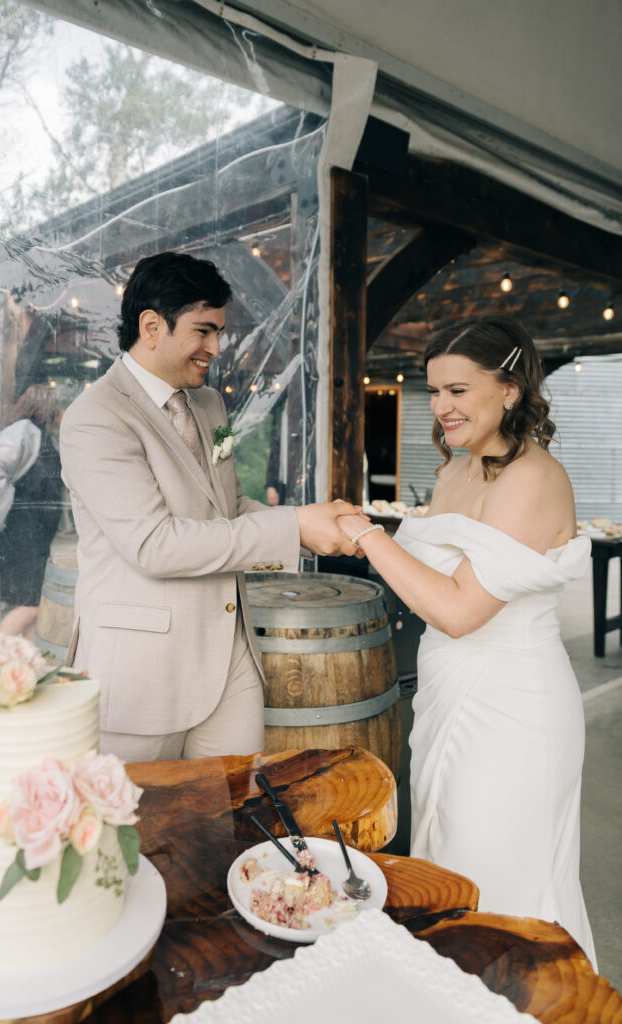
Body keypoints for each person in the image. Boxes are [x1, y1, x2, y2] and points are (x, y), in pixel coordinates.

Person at [335, 315, 597, 967]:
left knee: (499, 883)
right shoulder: (455, 471)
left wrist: (366, 534)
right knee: (447, 870)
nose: (441, 407)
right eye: (435, 391)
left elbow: (458, 611)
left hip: (512, 707)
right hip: (446, 693)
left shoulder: (532, 478)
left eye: (458, 390)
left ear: (509, 389)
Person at [59, 251, 358, 763]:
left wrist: (313, 526)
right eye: (203, 331)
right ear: (152, 326)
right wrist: (293, 527)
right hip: (141, 669)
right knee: (141, 814)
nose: (216, 348)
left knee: (234, 805)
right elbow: (153, 545)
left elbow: (228, 504)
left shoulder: (210, 404)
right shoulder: (95, 417)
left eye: (219, 332)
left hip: (230, 655)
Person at [0, 385, 64, 641]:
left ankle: (21, 658)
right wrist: (0, 501)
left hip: (36, 540)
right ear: (47, 409)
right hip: (20, 538)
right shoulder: (24, 432)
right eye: (59, 406)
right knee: (31, 605)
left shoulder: (46, 438)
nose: (63, 411)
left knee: (32, 606)